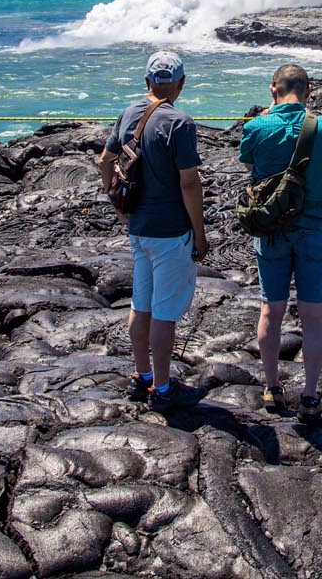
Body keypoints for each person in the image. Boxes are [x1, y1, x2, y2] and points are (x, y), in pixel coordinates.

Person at [97, 50, 209, 412]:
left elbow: (105, 161)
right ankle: (162, 388)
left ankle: (142, 375)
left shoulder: (128, 113)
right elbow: (189, 183)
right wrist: (200, 233)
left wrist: (119, 210)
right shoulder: (180, 123)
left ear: (147, 82)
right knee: (163, 313)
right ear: (181, 83)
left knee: (141, 304)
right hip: (171, 231)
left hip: (139, 227)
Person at [239, 63, 322, 423]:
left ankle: (272, 387)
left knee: (272, 309)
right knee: (313, 315)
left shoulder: (255, 127)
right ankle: (311, 396)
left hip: (272, 230)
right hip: (316, 228)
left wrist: (270, 120)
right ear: (308, 90)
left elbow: (249, 162)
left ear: (273, 90)